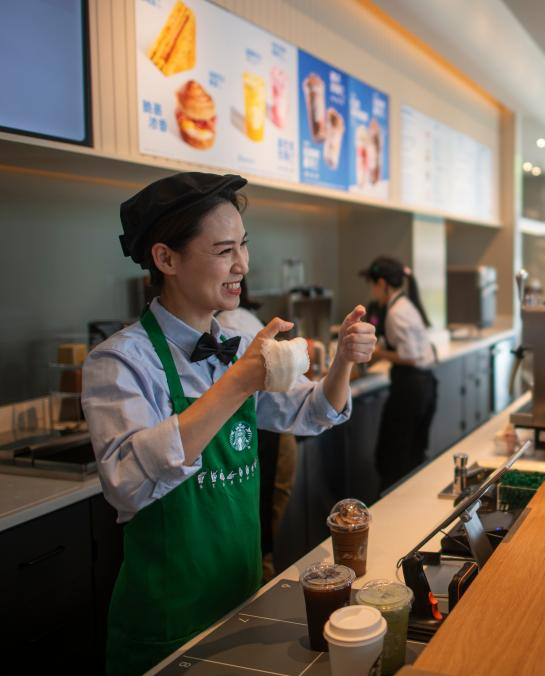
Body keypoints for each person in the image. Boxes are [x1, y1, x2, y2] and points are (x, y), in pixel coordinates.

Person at [82, 172, 377, 674]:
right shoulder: (119, 362)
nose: (242, 264)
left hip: (242, 606)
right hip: (166, 627)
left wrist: (344, 362)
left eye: (243, 244)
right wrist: (237, 383)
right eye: (223, 250)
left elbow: (311, 412)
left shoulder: (237, 349)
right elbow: (126, 485)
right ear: (166, 259)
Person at [217, 280, 297, 582]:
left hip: (266, 433)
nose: (239, 262)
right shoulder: (241, 320)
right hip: (271, 432)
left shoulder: (231, 325)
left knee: (261, 521)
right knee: (263, 518)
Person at [360, 257, 438, 491]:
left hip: (410, 388)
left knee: (391, 459)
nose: (372, 291)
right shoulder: (405, 305)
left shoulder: (396, 312)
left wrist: (379, 352)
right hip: (425, 386)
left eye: (372, 285)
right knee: (412, 455)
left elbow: (411, 356)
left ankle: (394, 513)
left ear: (382, 283)